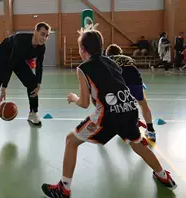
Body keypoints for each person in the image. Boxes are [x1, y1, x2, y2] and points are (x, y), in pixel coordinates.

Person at [41, 25, 177, 198]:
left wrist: (73, 97)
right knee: (138, 145)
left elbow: (83, 103)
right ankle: (163, 176)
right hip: (129, 108)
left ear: (83, 49)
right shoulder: (112, 62)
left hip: (108, 115)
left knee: (70, 140)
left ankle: (64, 188)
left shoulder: (83, 68)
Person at [0, 22, 51, 125]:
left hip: (17, 59)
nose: (44, 37)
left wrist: (39, 84)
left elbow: (39, 65)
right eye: (42, 34)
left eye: (47, 35)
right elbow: (10, 64)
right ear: (35, 32)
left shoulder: (41, 47)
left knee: (32, 83)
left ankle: (33, 113)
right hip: (1, 56)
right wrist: (4, 87)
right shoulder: (21, 41)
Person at [105, 44, 156, 142]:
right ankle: (151, 130)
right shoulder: (127, 59)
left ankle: (123, 127)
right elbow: (133, 72)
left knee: (117, 104)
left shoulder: (108, 60)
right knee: (143, 103)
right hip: (135, 76)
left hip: (121, 79)